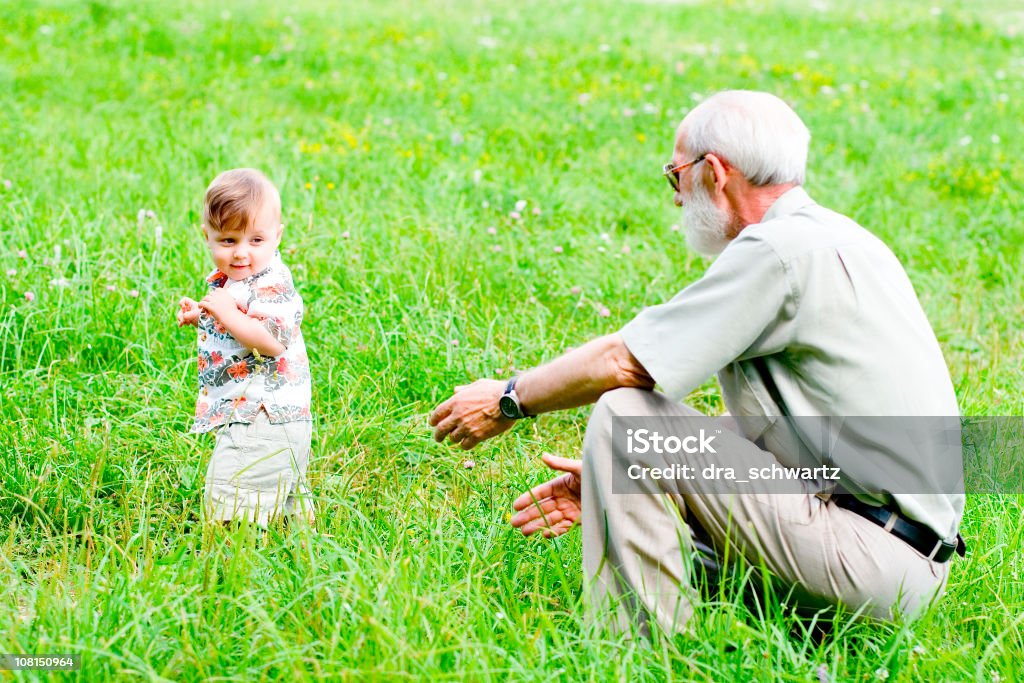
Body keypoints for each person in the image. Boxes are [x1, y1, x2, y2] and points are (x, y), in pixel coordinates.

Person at [429, 90, 965, 635]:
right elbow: (814, 430)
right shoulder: (843, 239)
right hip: (904, 562)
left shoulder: (776, 252)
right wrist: (615, 478)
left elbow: (626, 363)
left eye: (675, 175)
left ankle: (639, 653)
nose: (676, 197)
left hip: (867, 560)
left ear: (714, 172)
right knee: (640, 451)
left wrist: (509, 398)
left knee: (626, 418)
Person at [177, 168, 314, 527]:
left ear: (277, 236)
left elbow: (270, 342)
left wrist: (225, 313)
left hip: (263, 416)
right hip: (270, 415)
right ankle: (298, 553)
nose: (241, 253)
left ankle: (230, 567)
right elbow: (239, 318)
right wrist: (205, 315)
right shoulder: (242, 280)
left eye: (256, 240)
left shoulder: (273, 283)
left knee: (231, 500)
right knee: (283, 503)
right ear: (207, 237)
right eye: (228, 241)